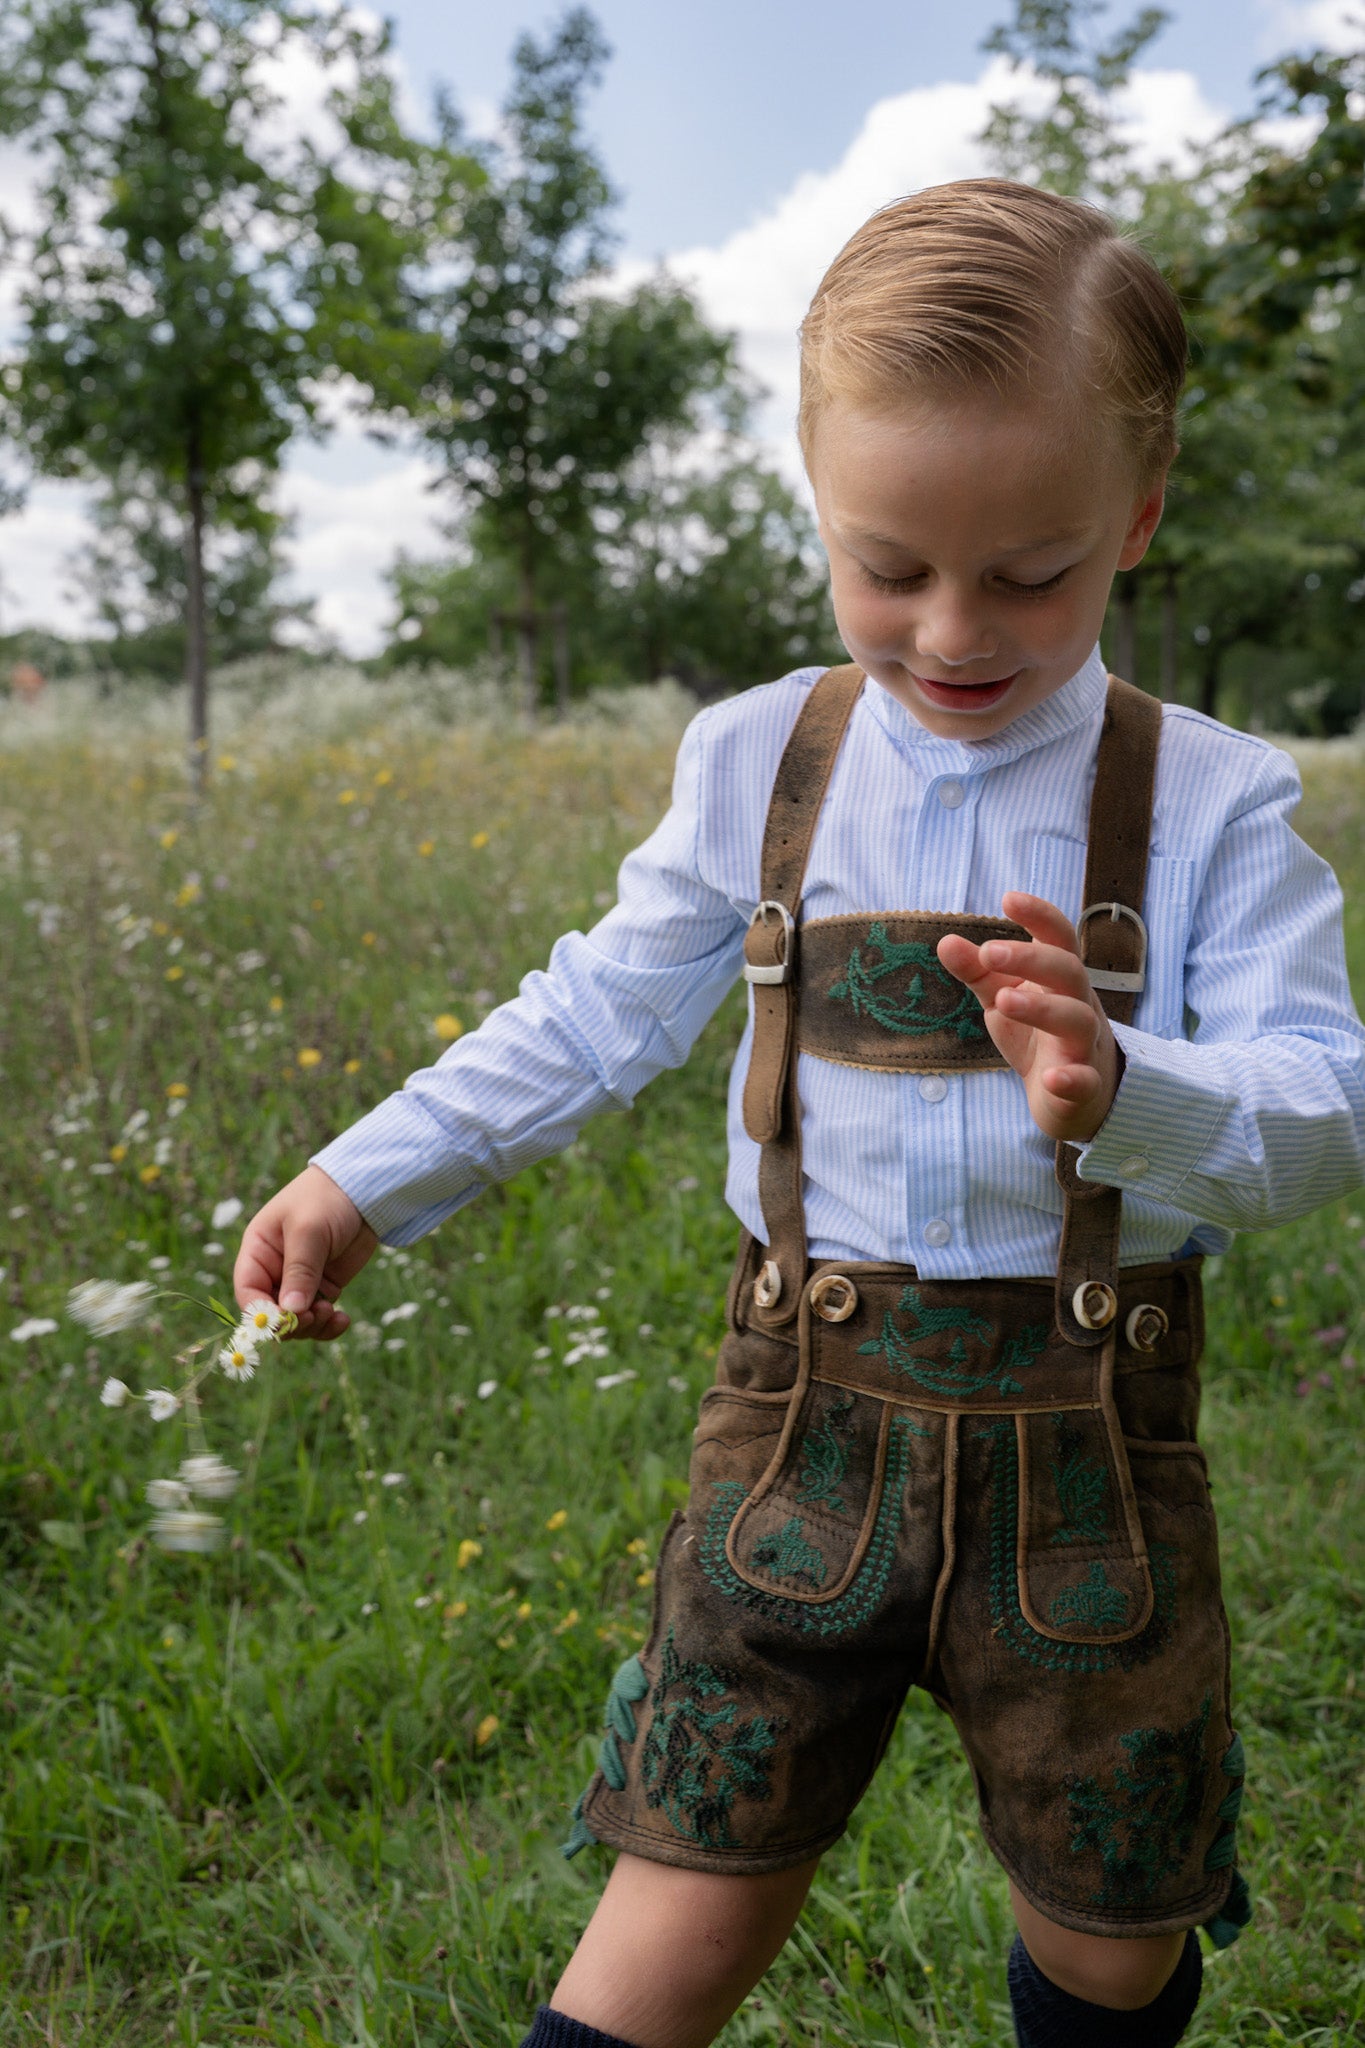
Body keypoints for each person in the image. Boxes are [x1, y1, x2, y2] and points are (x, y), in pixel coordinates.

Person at [232, 180, 1365, 2048]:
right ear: (818, 511)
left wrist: (1129, 1084)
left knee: (1109, 1917)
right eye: (888, 563)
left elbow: (1323, 1112)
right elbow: (602, 1004)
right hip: (800, 1428)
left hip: (1083, 1442)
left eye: (1030, 572)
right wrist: (372, 1173)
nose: (949, 628)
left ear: (1136, 521)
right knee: (688, 1878)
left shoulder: (1213, 803)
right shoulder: (759, 758)